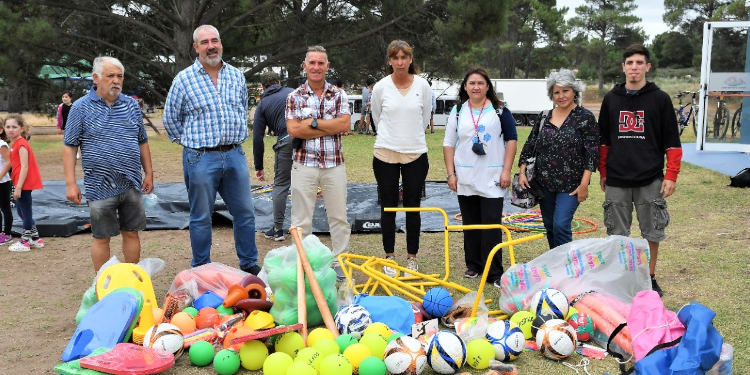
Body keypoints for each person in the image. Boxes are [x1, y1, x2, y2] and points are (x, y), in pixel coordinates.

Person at [163, 25, 261, 275]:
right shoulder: (183, 79)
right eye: (204, 42)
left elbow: (240, 108)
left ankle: (249, 265)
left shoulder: (236, 76)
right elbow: (171, 119)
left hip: (234, 154)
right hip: (200, 157)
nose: (211, 46)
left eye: (214, 40)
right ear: (196, 47)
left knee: (245, 213)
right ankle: (201, 268)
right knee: (200, 217)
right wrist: (191, 143)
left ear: (221, 43)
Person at [598, 44, 682, 297]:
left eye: (639, 63)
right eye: (630, 63)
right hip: (617, 178)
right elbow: (604, 141)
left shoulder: (660, 99)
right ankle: (622, 279)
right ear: (623, 67)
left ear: (647, 66)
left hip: (650, 178)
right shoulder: (611, 99)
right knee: (617, 235)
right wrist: (603, 172)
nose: (634, 67)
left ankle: (650, 278)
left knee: (652, 233)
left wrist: (671, 175)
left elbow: (672, 141)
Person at [63, 56, 154, 272]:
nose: (116, 80)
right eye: (110, 75)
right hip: (99, 185)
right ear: (96, 78)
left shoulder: (131, 105)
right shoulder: (80, 108)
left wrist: (149, 173)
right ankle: (103, 285)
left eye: (119, 76)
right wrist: (70, 183)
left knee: (132, 232)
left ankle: (132, 281)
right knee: (102, 237)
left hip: (132, 183)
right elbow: (70, 147)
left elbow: (142, 141)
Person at [443, 66, 518, 287]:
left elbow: (511, 141)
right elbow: (448, 144)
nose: (476, 87)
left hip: (493, 177)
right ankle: (474, 265)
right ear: (465, 87)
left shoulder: (500, 111)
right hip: (465, 176)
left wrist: (506, 170)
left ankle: (494, 272)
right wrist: (450, 174)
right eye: (472, 83)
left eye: (480, 83)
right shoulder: (458, 111)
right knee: (471, 224)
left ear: (487, 87)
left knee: (491, 225)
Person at [286, 45, 351, 280]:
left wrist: (312, 123)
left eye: (320, 63)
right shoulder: (294, 96)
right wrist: (328, 124)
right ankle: (305, 264)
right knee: (301, 219)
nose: (316, 67)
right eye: (311, 63)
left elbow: (344, 125)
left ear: (327, 66)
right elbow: (293, 130)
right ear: (304, 66)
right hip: (304, 163)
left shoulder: (339, 94)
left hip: (334, 164)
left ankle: (340, 264)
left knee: (339, 217)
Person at [517, 69, 599, 250]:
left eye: (565, 91)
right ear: (551, 95)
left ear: (574, 91)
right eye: (556, 92)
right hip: (543, 183)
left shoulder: (585, 117)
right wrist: (522, 172)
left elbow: (592, 154)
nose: (561, 96)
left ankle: (565, 267)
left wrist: (584, 185)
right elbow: (530, 146)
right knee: (550, 226)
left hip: (571, 186)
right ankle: (555, 264)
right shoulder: (544, 116)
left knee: (561, 225)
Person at [371, 40, 432, 275]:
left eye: (404, 57)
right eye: (395, 58)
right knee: (388, 207)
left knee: (412, 207)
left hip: (416, 154)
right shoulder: (380, 87)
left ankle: (411, 258)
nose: (399, 62)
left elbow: (425, 115)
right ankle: (389, 257)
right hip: (385, 153)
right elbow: (377, 117)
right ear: (389, 61)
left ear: (410, 59)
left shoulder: (423, 85)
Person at [253, 71, 294, 242]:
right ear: (279, 82)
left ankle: (278, 229)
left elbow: (257, 138)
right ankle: (303, 227)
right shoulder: (293, 91)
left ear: (262, 86)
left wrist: (259, 166)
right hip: (309, 139)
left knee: (281, 185)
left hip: (286, 141)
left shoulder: (262, 105)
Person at [0, 115, 44, 252]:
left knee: (25, 211)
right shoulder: (16, 144)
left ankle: (25, 242)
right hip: (20, 182)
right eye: (8, 127)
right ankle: (36, 239)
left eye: (14, 127)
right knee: (21, 210)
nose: (11, 130)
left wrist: (18, 187)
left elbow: (25, 167)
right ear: (4, 129)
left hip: (24, 184)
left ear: (22, 128)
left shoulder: (22, 144)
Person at [0, 125, 12, 245]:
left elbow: (9, 162)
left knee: (5, 208)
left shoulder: (2, 144)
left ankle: (7, 234)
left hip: (3, 183)